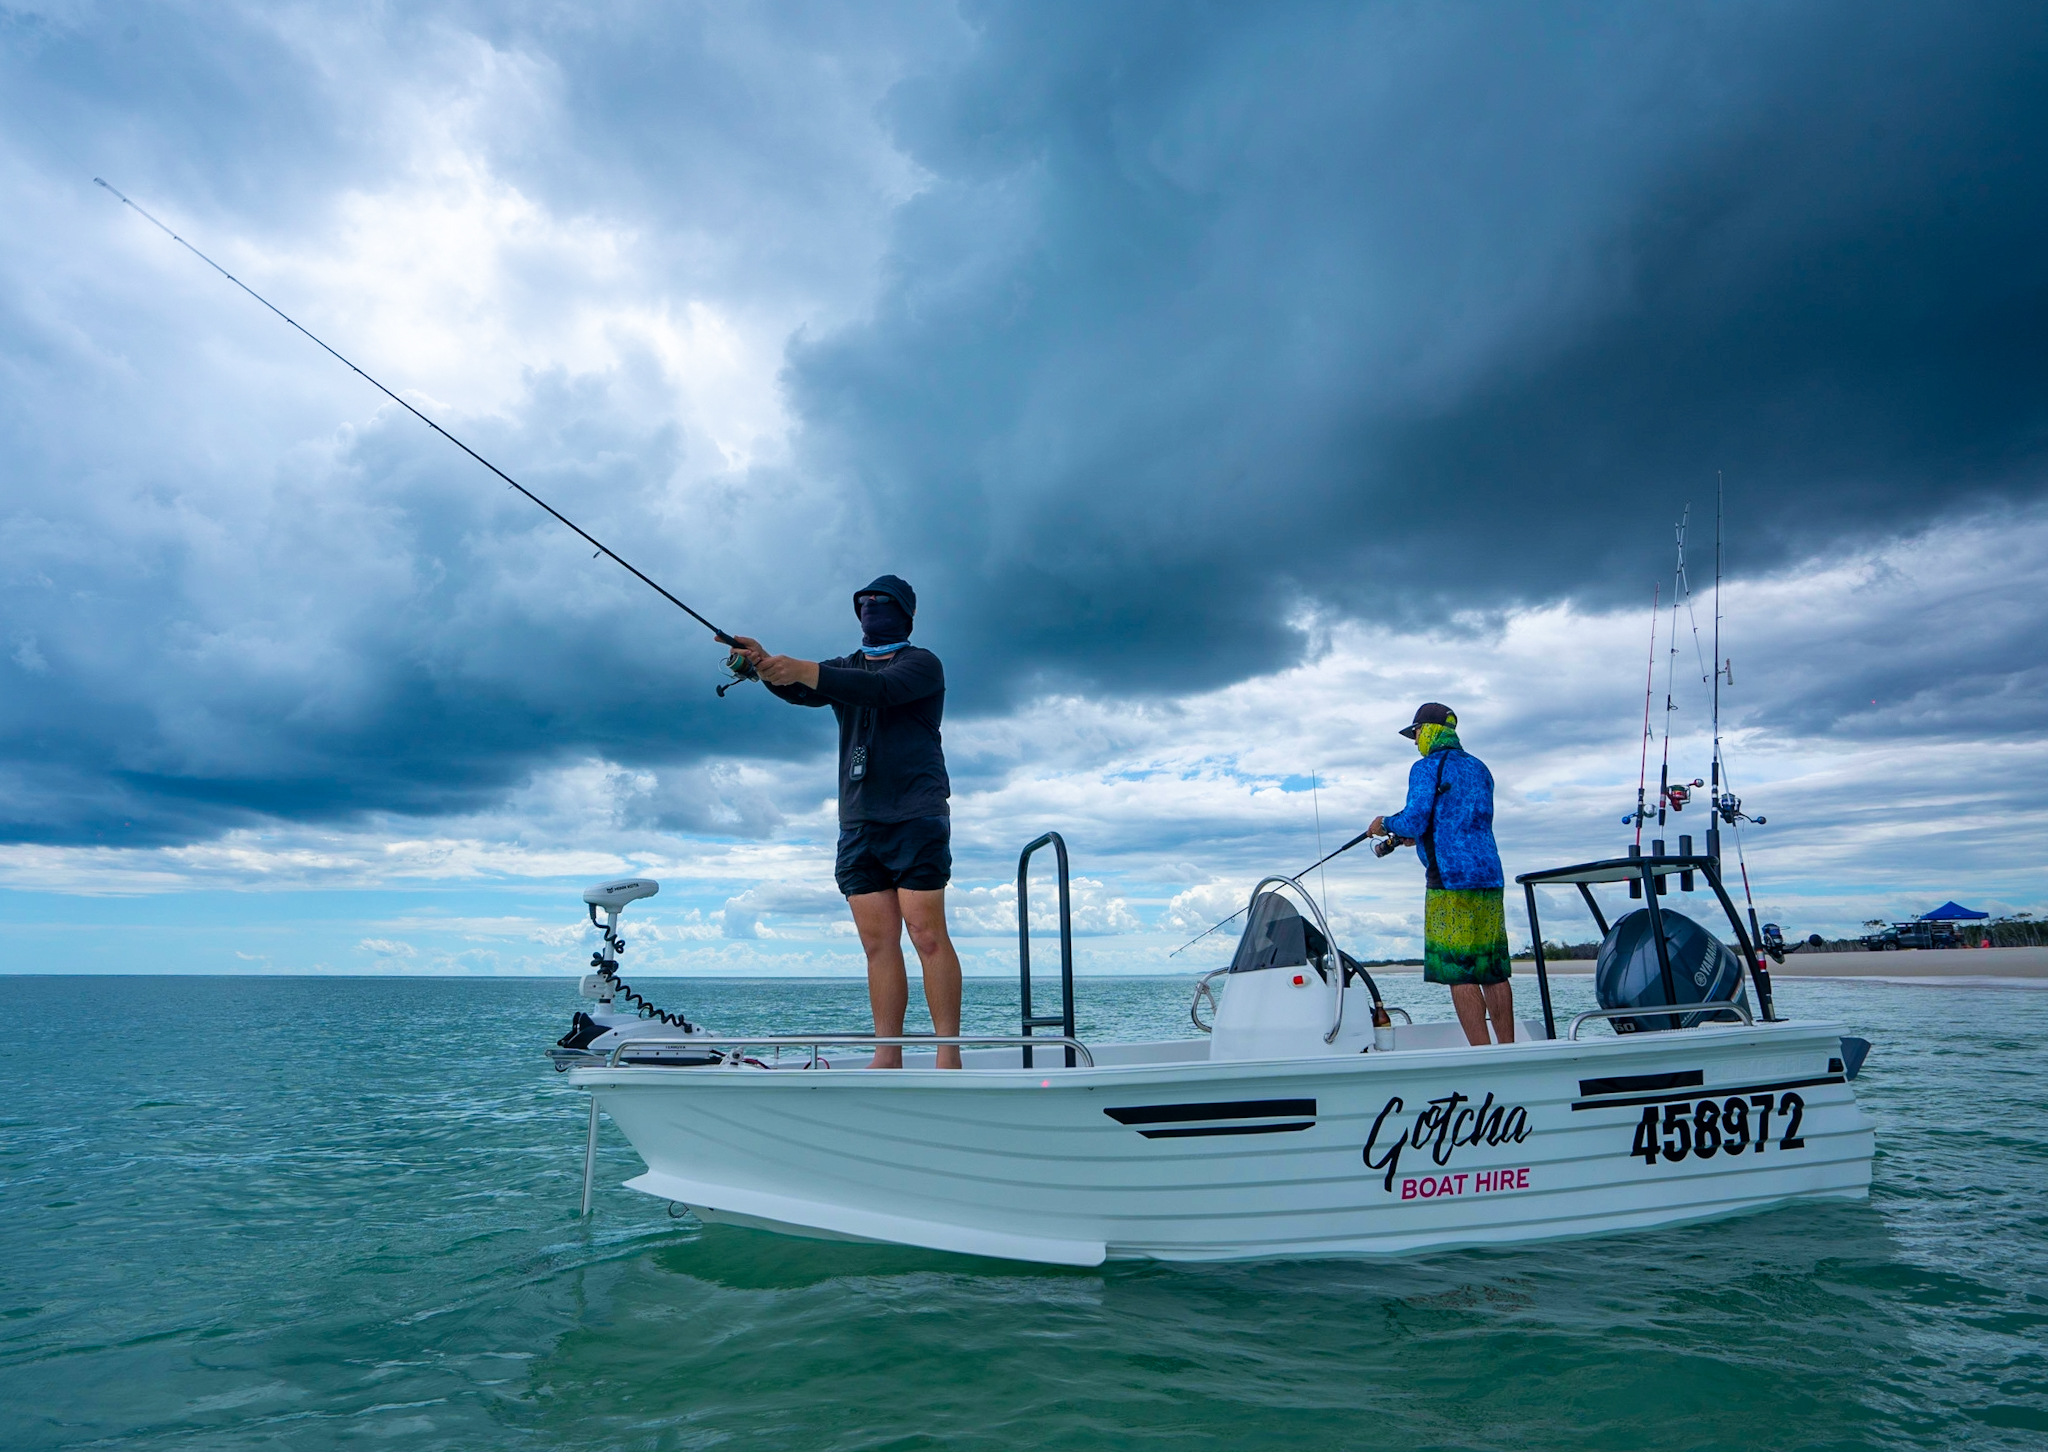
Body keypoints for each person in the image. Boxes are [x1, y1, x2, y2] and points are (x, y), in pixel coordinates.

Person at [731, 576, 963, 1069]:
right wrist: (763, 664)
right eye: (864, 604)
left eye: (882, 604)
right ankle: (888, 1057)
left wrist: (804, 669)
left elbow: (877, 690)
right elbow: (803, 690)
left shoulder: (922, 664)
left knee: (926, 935)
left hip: (916, 815)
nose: (872, 610)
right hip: (858, 823)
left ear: (907, 613)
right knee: (878, 945)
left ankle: (948, 1055)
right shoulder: (841, 668)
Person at [1367, 703, 1513, 1046]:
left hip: (1449, 881)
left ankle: (1481, 1053)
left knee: (1458, 970)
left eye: (1416, 733)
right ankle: (1508, 1051)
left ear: (1428, 730)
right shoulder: (1480, 768)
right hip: (1490, 876)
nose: (1415, 740)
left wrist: (1385, 824)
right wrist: (1416, 838)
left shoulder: (1426, 767)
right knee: (1493, 969)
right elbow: (1453, 818)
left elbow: (1414, 819)